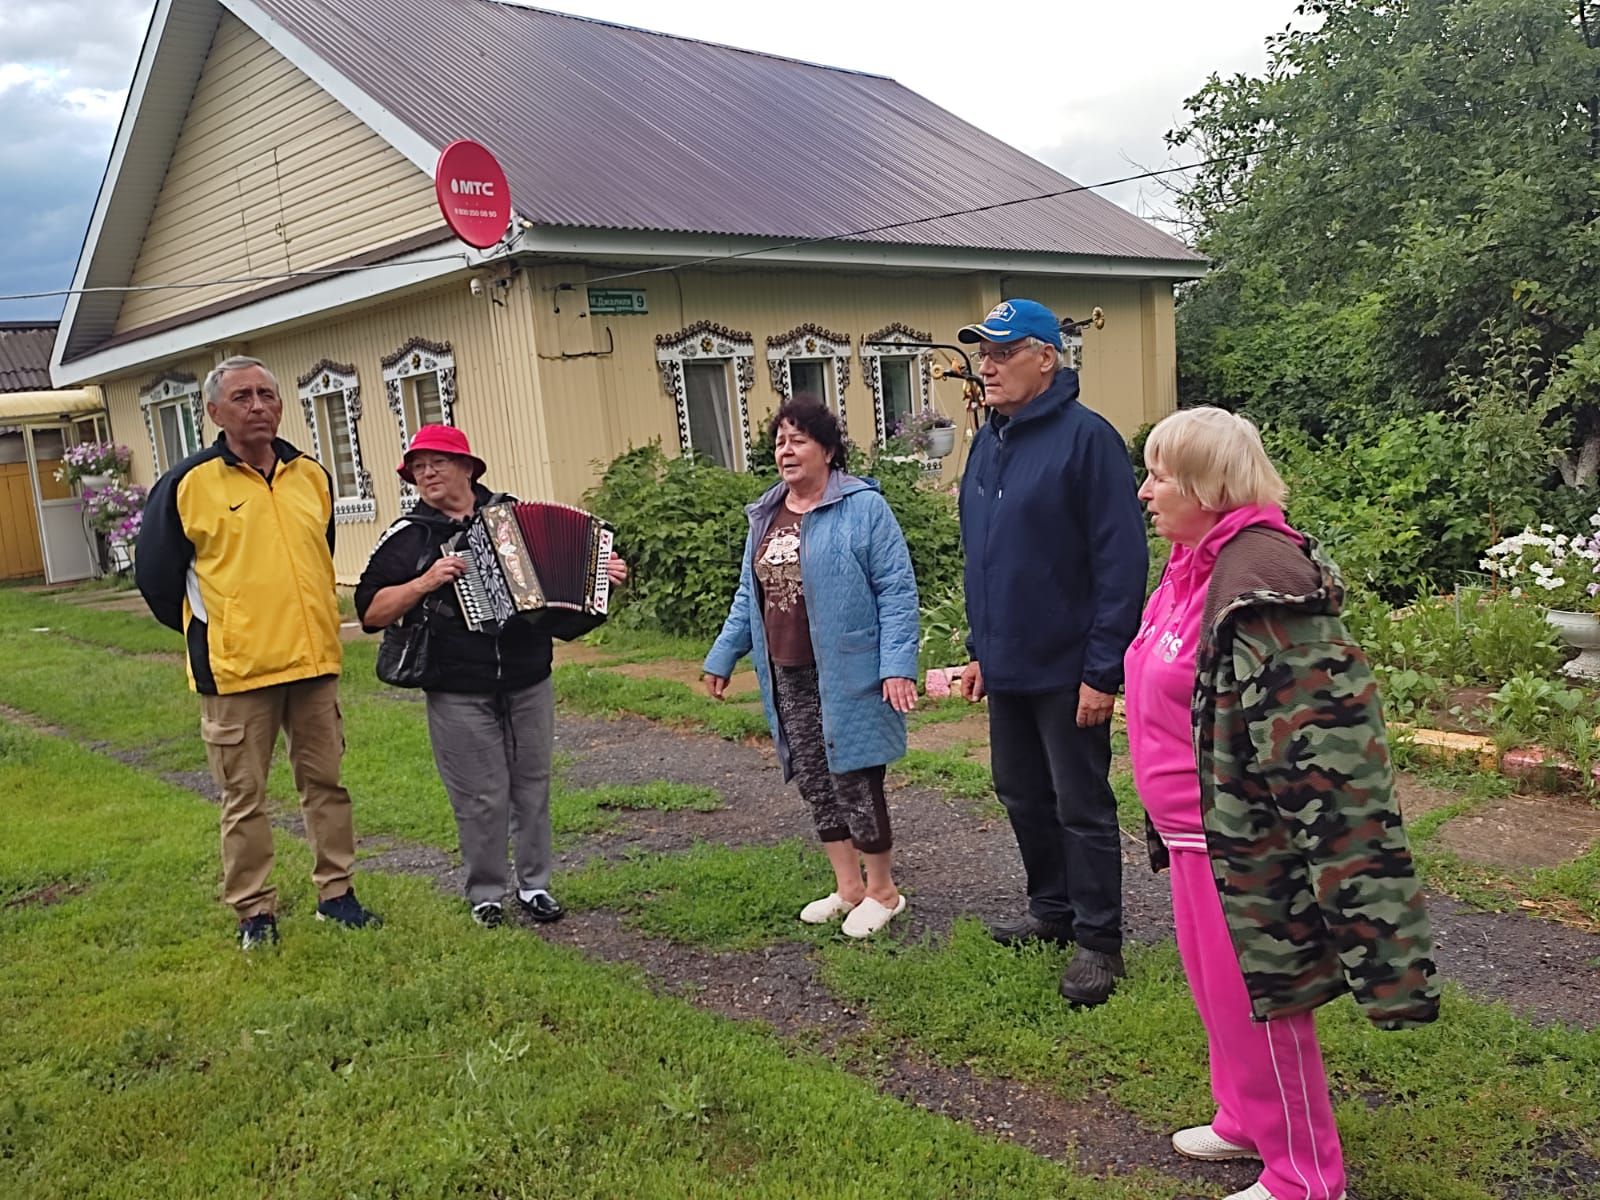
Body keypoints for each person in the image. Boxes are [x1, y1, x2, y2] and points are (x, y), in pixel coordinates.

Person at [1124, 406, 1438, 1200]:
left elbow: (1322, 742)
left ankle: (1304, 1174)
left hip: (1242, 840)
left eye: (1161, 474)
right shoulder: (1192, 562)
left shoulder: (1263, 580)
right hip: (1189, 832)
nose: (1145, 491)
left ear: (1207, 484)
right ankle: (1243, 1120)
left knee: (1265, 1005)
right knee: (1219, 998)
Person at [135, 356, 381, 951]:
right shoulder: (188, 485)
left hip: (313, 662)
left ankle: (337, 895)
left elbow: (317, 557)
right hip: (237, 673)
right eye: (242, 396)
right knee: (244, 798)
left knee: (326, 785)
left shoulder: (310, 476)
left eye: (267, 394)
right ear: (215, 412)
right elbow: (157, 578)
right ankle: (255, 913)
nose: (258, 406)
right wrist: (224, 631)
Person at [355, 425, 629, 929]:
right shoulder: (409, 534)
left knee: (532, 785)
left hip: (528, 676)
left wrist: (601, 574)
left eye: (437, 462)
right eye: (418, 467)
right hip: (456, 684)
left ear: (468, 468)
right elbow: (371, 611)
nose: (428, 473)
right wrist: (424, 581)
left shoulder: (511, 518)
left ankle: (536, 886)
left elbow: (565, 587)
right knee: (480, 796)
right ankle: (486, 894)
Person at [955, 299, 1148, 1005]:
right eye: (984, 354)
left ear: (1046, 356)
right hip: (1007, 665)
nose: (988, 366)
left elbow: (1120, 563)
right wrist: (981, 649)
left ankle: (1100, 941)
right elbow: (982, 557)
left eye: (1002, 353)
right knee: (1020, 793)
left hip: (1069, 672)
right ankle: (1052, 909)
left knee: (1080, 803)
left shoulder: (1087, 440)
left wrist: (1103, 671)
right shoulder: (988, 440)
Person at [703, 396, 919, 938]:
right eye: (779, 441)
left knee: (855, 775)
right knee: (815, 779)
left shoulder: (864, 507)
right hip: (787, 669)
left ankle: (883, 891)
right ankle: (848, 888)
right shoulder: (765, 514)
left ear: (827, 449)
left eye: (798, 440)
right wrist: (723, 655)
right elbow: (746, 596)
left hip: (848, 668)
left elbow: (896, 590)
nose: (786, 450)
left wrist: (897, 665)